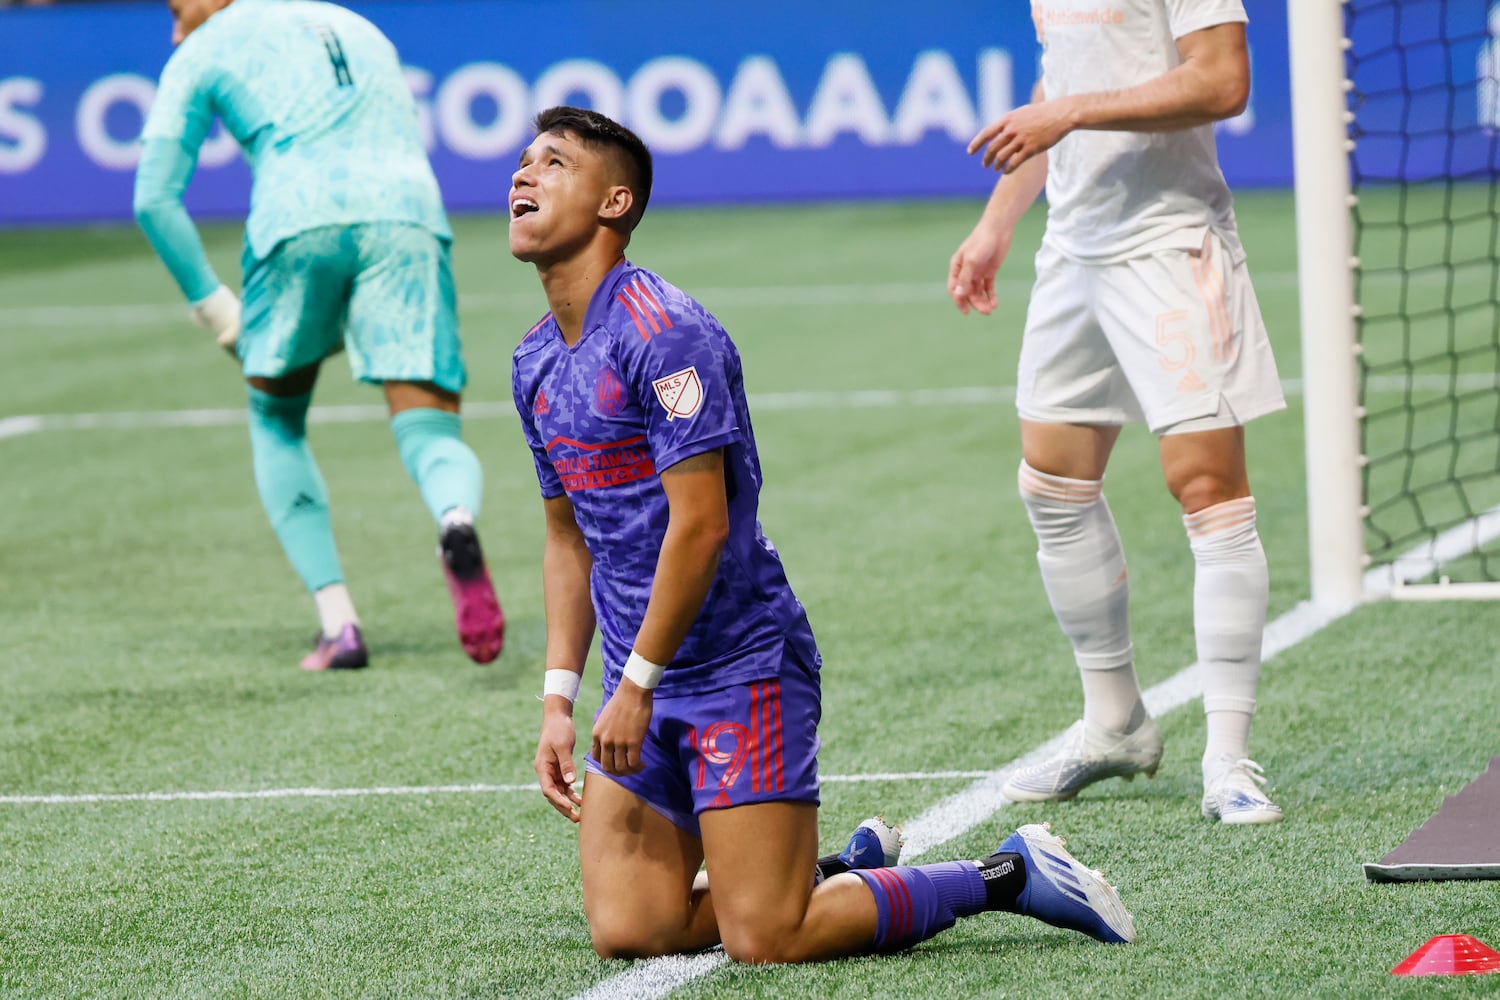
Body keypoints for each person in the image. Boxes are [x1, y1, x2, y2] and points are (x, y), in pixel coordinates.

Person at [512, 105, 1136, 963]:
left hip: (739, 669)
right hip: (639, 678)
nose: (523, 174)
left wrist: (636, 685)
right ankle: (837, 872)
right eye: (523, 161)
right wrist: (557, 697)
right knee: (631, 930)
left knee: (766, 937)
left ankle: (1007, 874)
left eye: (552, 162)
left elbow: (700, 526)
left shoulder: (666, 334)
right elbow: (567, 539)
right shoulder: (534, 361)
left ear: (615, 202)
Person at [948, 1, 1285, 824]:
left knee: (1208, 493)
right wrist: (998, 223)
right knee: (1053, 487)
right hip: (1074, 247)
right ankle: (1115, 723)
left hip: (1173, 245)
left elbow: (1222, 79)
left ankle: (1230, 760)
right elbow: (1062, 82)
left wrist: (1068, 112)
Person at [133, 0, 504, 670]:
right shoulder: (358, 24)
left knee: (276, 418)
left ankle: (340, 626)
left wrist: (217, 309)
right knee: (430, 428)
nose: (174, 21)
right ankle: (456, 521)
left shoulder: (203, 46)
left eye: (177, 3)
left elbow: (153, 199)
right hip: (407, 213)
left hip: (298, 218)